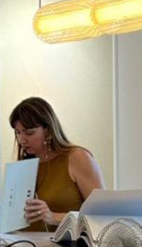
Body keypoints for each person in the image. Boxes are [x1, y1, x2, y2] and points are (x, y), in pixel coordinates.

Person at [10, 97, 105, 232]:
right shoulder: (23, 166)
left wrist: (53, 217)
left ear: (48, 130)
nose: (21, 140)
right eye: (18, 133)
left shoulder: (77, 157)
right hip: (27, 244)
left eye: (29, 133)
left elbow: (101, 216)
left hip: (68, 245)